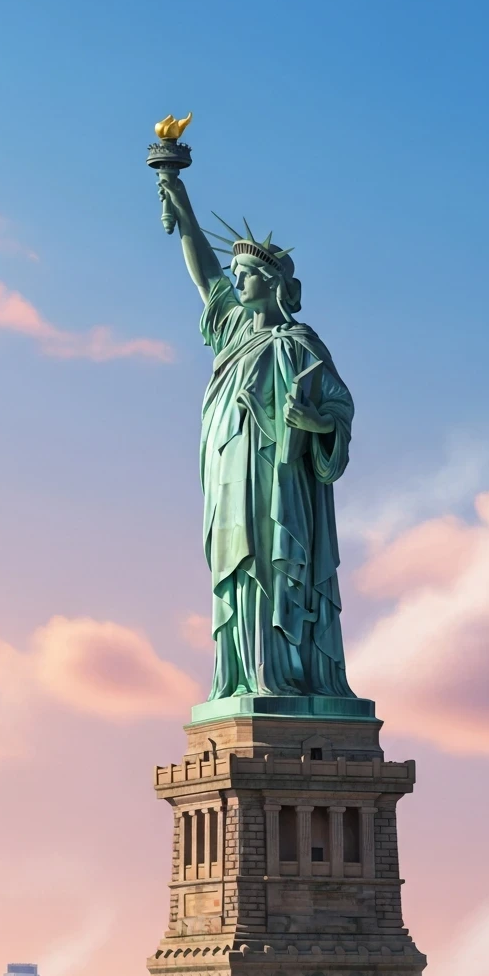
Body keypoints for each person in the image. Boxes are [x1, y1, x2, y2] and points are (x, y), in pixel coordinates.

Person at [158, 172, 356, 700]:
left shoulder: (297, 342)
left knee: (274, 564)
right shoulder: (230, 330)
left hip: (278, 480)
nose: (236, 281)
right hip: (228, 476)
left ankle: (285, 675)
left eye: (245, 274)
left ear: (269, 283)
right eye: (236, 273)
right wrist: (181, 204)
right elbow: (204, 275)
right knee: (237, 569)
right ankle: (244, 674)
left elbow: (339, 406)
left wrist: (316, 424)